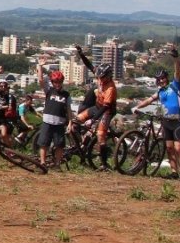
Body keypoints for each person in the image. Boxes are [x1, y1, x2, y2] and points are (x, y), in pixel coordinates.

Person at [133, 44, 180, 180]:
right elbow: (149, 100)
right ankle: (174, 172)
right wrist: (137, 107)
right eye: (159, 79)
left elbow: (177, 72)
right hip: (166, 121)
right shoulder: (160, 92)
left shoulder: (174, 86)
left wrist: (176, 58)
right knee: (169, 148)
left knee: (178, 148)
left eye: (163, 78)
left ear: (166, 78)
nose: (161, 81)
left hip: (178, 121)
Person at [74, 44, 118, 172]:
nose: (100, 79)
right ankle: (82, 146)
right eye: (99, 77)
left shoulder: (110, 88)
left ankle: (104, 164)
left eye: (102, 77)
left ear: (108, 76)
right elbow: (89, 65)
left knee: (100, 135)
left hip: (107, 111)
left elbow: (105, 107)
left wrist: (93, 120)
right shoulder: (100, 76)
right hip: (97, 107)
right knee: (75, 122)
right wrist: (81, 54)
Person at [34, 62, 73, 169]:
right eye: (55, 82)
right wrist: (40, 66)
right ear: (52, 82)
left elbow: (69, 110)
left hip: (59, 123)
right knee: (44, 143)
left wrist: (70, 123)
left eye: (59, 82)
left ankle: (57, 164)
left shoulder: (66, 95)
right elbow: (41, 80)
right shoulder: (49, 91)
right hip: (47, 121)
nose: (57, 84)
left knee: (59, 145)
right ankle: (43, 162)